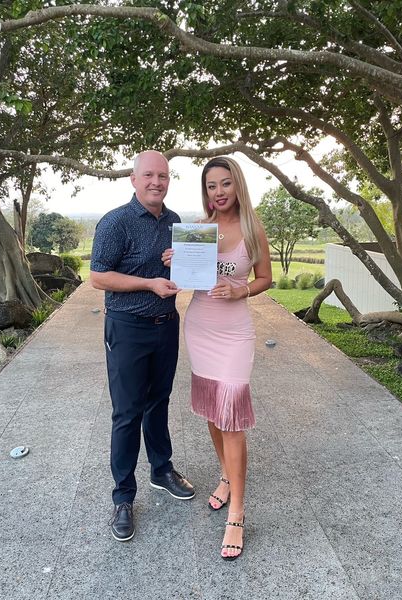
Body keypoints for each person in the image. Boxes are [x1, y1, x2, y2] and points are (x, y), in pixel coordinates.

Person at [164, 156, 272, 560]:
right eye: (211, 186)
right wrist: (176, 264)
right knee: (213, 412)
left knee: (232, 416)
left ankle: (238, 514)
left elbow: (265, 278)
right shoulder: (199, 229)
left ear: (237, 185)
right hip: (201, 326)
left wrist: (240, 290)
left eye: (225, 184)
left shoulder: (251, 228)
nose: (219, 192)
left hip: (234, 333)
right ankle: (226, 476)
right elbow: (187, 281)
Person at [90, 150, 195, 543]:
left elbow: (181, 268)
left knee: (160, 401)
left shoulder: (175, 222)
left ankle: (161, 469)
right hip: (128, 328)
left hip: (166, 325)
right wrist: (149, 283)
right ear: (134, 180)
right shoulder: (115, 222)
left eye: (163, 176)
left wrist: (175, 261)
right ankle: (123, 496)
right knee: (127, 412)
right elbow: (99, 277)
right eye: (148, 175)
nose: (156, 182)